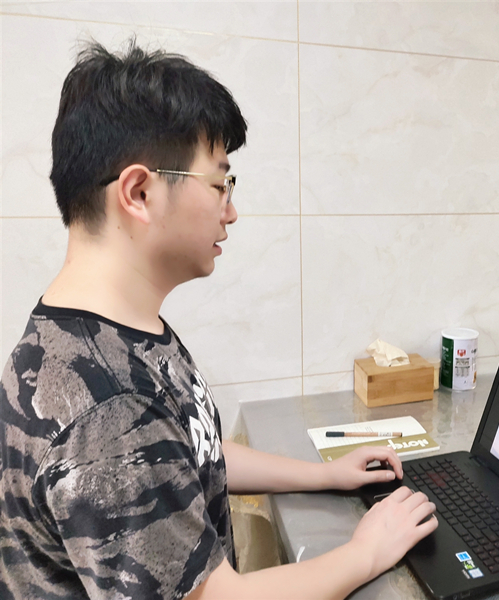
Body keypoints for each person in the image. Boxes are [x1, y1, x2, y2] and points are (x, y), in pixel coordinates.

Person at [0, 40, 437, 600]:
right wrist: (368, 549)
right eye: (219, 184)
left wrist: (325, 475)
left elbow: (187, 454)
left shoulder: (114, 336)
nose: (231, 210)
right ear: (139, 192)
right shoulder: (106, 404)